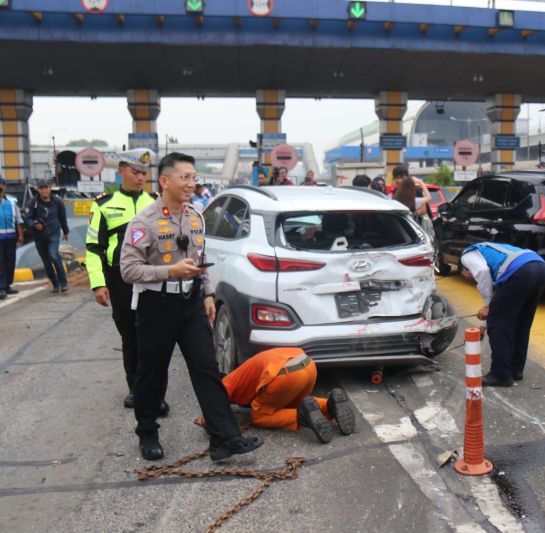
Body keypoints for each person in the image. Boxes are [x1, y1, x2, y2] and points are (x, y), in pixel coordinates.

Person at [120, 152, 263, 462]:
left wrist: (208, 295)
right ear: (164, 181)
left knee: (207, 369)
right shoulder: (144, 222)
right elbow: (128, 270)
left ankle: (224, 438)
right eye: (184, 177)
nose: (191, 183)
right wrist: (169, 272)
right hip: (156, 305)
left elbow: (201, 262)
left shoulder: (196, 216)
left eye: (193, 177)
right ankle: (147, 431)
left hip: (192, 302)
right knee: (152, 373)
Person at [86, 148, 169, 413]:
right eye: (135, 172)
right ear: (121, 171)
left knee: (155, 335)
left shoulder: (157, 202)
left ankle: (156, 393)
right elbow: (93, 248)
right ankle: (136, 389)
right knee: (130, 334)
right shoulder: (103, 205)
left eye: (144, 173)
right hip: (120, 280)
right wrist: (98, 284)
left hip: (153, 278)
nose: (140, 178)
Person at [195, 347, 356, 444]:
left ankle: (301, 416)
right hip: (308, 365)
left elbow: (215, 404)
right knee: (294, 402)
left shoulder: (226, 383)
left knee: (259, 416)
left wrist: (206, 420)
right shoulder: (241, 373)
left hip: (285, 374)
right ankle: (330, 405)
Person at [457, 242, 545, 387]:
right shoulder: (491, 253)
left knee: (499, 325)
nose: (470, 279)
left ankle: (500, 375)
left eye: (467, 276)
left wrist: (489, 307)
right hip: (542, 268)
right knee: (521, 322)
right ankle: (515, 370)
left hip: (522, 271)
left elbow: (481, 272)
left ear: (464, 268)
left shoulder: (467, 255)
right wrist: (483, 326)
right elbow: (499, 300)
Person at [24, 180, 69, 293]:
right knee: (46, 261)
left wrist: (66, 231)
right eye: (41, 188)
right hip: (39, 236)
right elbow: (27, 218)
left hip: (54, 233)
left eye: (46, 188)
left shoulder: (57, 202)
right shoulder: (33, 203)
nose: (44, 190)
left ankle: (63, 282)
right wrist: (34, 224)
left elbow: (62, 218)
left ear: (50, 188)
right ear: (38, 190)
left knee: (54, 255)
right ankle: (55, 284)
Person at [0, 175, 24, 299]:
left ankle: (8, 285)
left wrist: (20, 235)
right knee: (1, 263)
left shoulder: (12, 201)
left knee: (10, 262)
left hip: (11, 237)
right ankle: (1, 287)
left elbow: (18, 220)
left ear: (4, 186)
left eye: (1, 185)